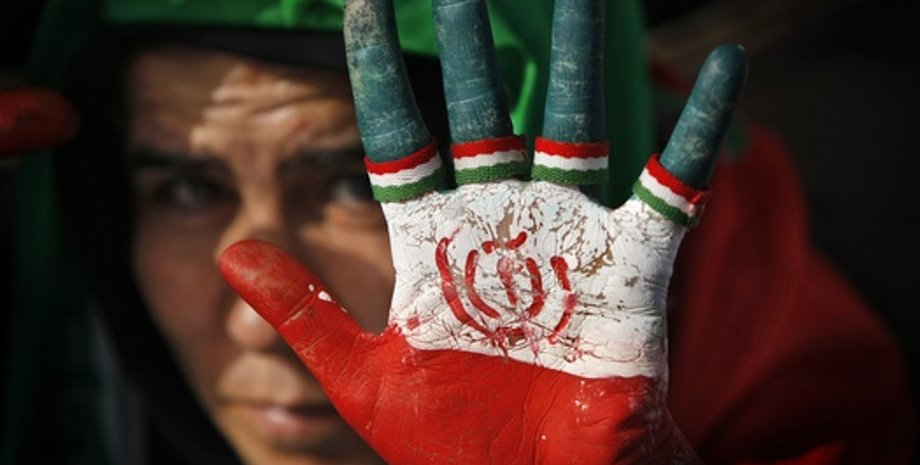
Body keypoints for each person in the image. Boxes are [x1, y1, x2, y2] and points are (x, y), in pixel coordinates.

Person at [3, 0, 914, 464]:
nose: (255, 321)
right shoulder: (64, 391)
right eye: (187, 188)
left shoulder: (794, 401)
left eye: (356, 187)